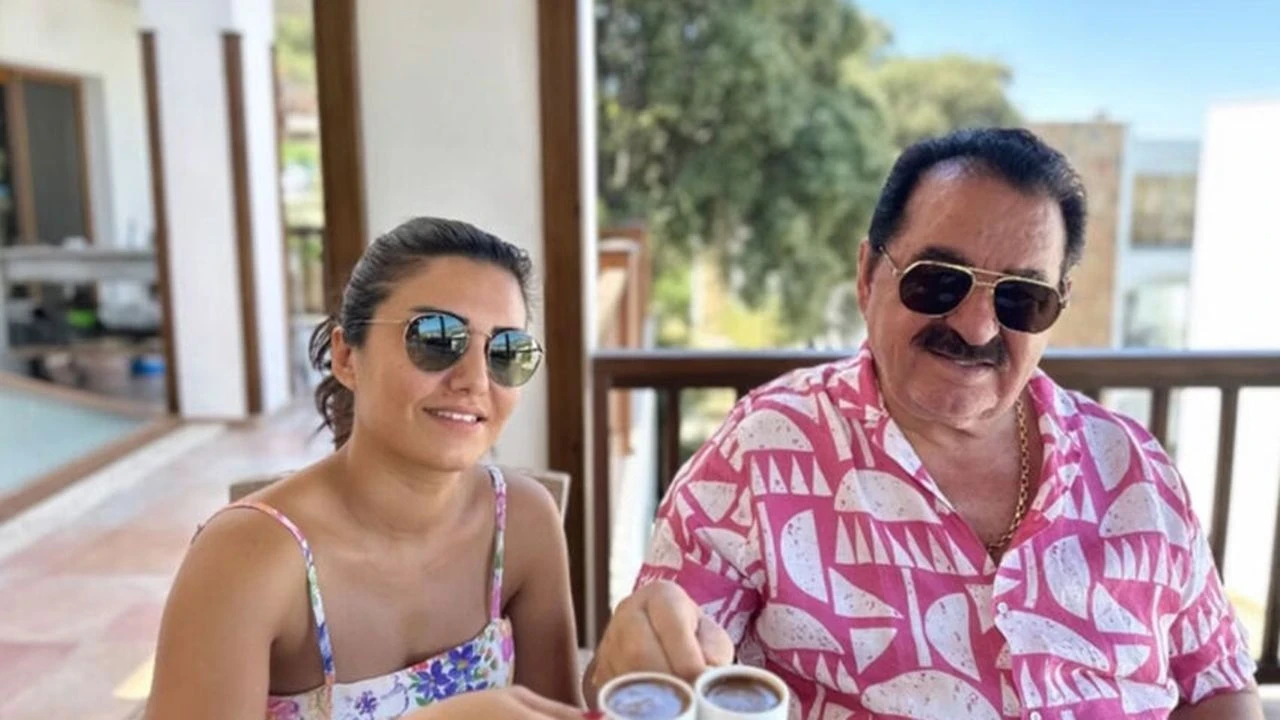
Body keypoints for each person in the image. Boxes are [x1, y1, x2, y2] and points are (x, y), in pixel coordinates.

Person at [587, 129, 1264, 719]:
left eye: (1021, 298)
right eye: (939, 280)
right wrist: (632, 654)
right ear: (867, 276)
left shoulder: (1134, 468)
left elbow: (1219, 685)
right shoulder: (764, 451)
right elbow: (646, 674)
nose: (977, 326)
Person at [146, 218, 583, 719]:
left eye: (506, 352)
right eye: (437, 338)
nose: (476, 380)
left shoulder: (523, 523)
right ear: (346, 356)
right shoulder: (247, 558)